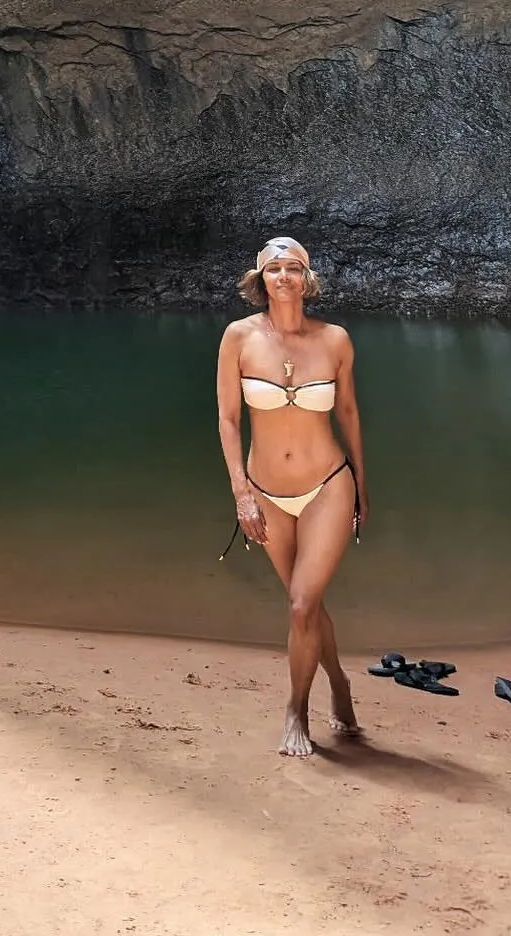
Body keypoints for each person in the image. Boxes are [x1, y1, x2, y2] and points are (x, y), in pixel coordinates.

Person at [216, 236, 369, 756]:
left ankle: (296, 709)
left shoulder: (335, 340)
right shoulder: (238, 338)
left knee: (303, 604)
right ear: (260, 280)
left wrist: (362, 487)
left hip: (327, 484)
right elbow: (229, 418)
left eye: (293, 268)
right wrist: (241, 493)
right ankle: (340, 683)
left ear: (308, 278)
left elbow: (348, 414)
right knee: (306, 607)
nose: (284, 277)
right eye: (274, 269)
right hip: (264, 493)